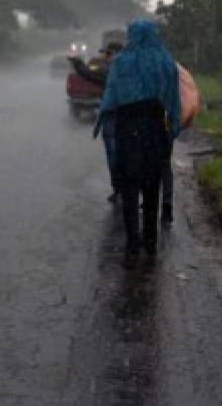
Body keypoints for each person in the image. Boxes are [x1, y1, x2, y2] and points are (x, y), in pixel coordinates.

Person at [95, 20, 180, 267]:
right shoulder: (165, 62)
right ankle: (151, 244)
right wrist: (172, 129)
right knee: (152, 187)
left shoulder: (121, 62)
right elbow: (174, 100)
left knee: (130, 190)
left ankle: (132, 247)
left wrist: (102, 120)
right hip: (155, 130)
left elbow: (110, 98)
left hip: (127, 130)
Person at [70, 41, 123, 202]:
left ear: (113, 54)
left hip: (113, 115)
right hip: (132, 117)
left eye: (107, 54)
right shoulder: (135, 68)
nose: (104, 57)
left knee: (113, 154)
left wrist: (77, 62)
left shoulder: (112, 69)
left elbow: (89, 74)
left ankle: (119, 188)